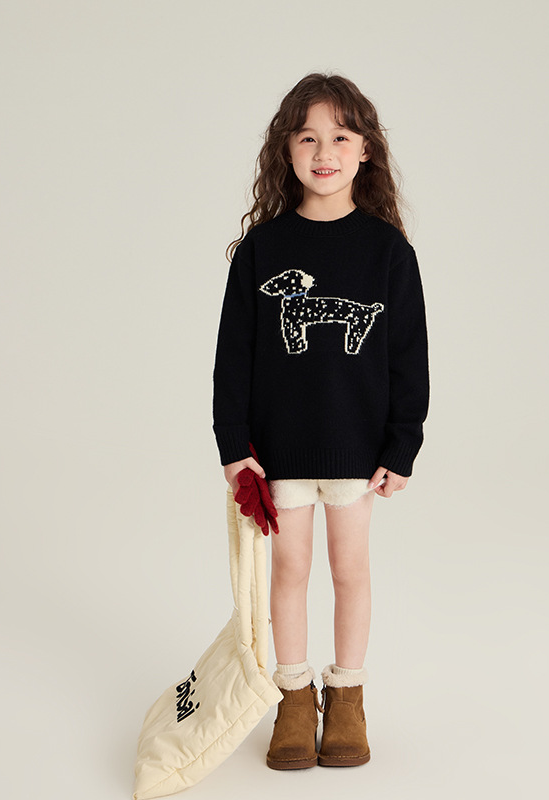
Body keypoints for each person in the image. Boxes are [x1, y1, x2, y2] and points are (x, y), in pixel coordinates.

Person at [211, 72, 429, 770]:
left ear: (366, 150)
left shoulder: (388, 252)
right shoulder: (261, 251)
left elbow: (409, 357)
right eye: (307, 137)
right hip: (280, 451)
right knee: (290, 569)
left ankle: (349, 697)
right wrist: (234, 446)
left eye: (340, 136)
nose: (324, 151)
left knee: (350, 570)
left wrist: (402, 445)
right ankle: (293, 698)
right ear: (287, 150)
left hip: (358, 452)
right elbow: (232, 357)